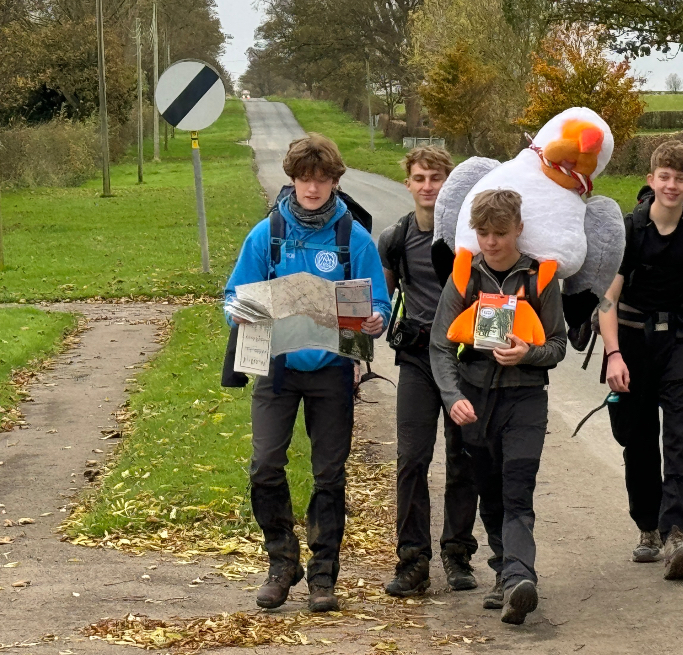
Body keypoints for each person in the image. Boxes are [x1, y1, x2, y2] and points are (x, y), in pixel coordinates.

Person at [225, 133, 390, 611]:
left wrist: (376, 318)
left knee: (329, 475)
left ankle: (323, 577)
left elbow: (376, 300)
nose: (312, 189)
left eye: (321, 180)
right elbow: (233, 295)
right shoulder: (268, 233)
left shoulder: (351, 236)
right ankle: (281, 562)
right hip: (275, 368)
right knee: (265, 466)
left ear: (335, 181)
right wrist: (236, 312)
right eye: (303, 179)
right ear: (292, 180)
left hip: (332, 371)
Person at [429, 189, 566, 625]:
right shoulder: (465, 276)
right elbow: (440, 346)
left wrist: (528, 353)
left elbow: (559, 345)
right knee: (489, 492)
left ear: (519, 230)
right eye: (483, 233)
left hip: (525, 400)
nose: (491, 242)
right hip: (475, 400)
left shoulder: (542, 279)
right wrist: (453, 398)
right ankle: (505, 573)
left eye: (501, 233)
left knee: (517, 491)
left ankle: (519, 578)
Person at [597, 140, 683, 581]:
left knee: (679, 440)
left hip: (682, 346)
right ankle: (647, 527)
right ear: (651, 180)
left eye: (680, 179)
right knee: (638, 441)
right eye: (664, 177)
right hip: (631, 344)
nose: (672, 185)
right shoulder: (628, 231)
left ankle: (676, 534)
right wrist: (613, 354)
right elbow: (607, 300)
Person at [375, 147, 480, 596]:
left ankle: (458, 556)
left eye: (436, 178)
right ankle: (413, 561)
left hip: (465, 360)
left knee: (464, 459)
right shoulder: (395, 238)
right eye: (419, 178)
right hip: (417, 359)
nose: (427, 186)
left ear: (449, 182)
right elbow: (382, 300)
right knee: (412, 459)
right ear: (408, 184)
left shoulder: (468, 237)